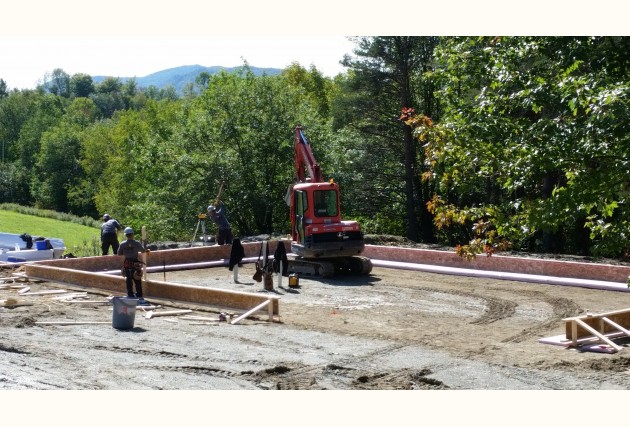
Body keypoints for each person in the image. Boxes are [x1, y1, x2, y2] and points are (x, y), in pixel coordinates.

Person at [117, 227, 149, 305]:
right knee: (137, 280)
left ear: (126, 235)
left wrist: (126, 251)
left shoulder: (123, 244)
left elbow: (119, 253)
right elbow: (143, 250)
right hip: (135, 264)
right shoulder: (136, 243)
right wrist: (144, 246)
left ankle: (130, 295)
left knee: (129, 280)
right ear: (132, 234)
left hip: (127, 264)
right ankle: (139, 295)